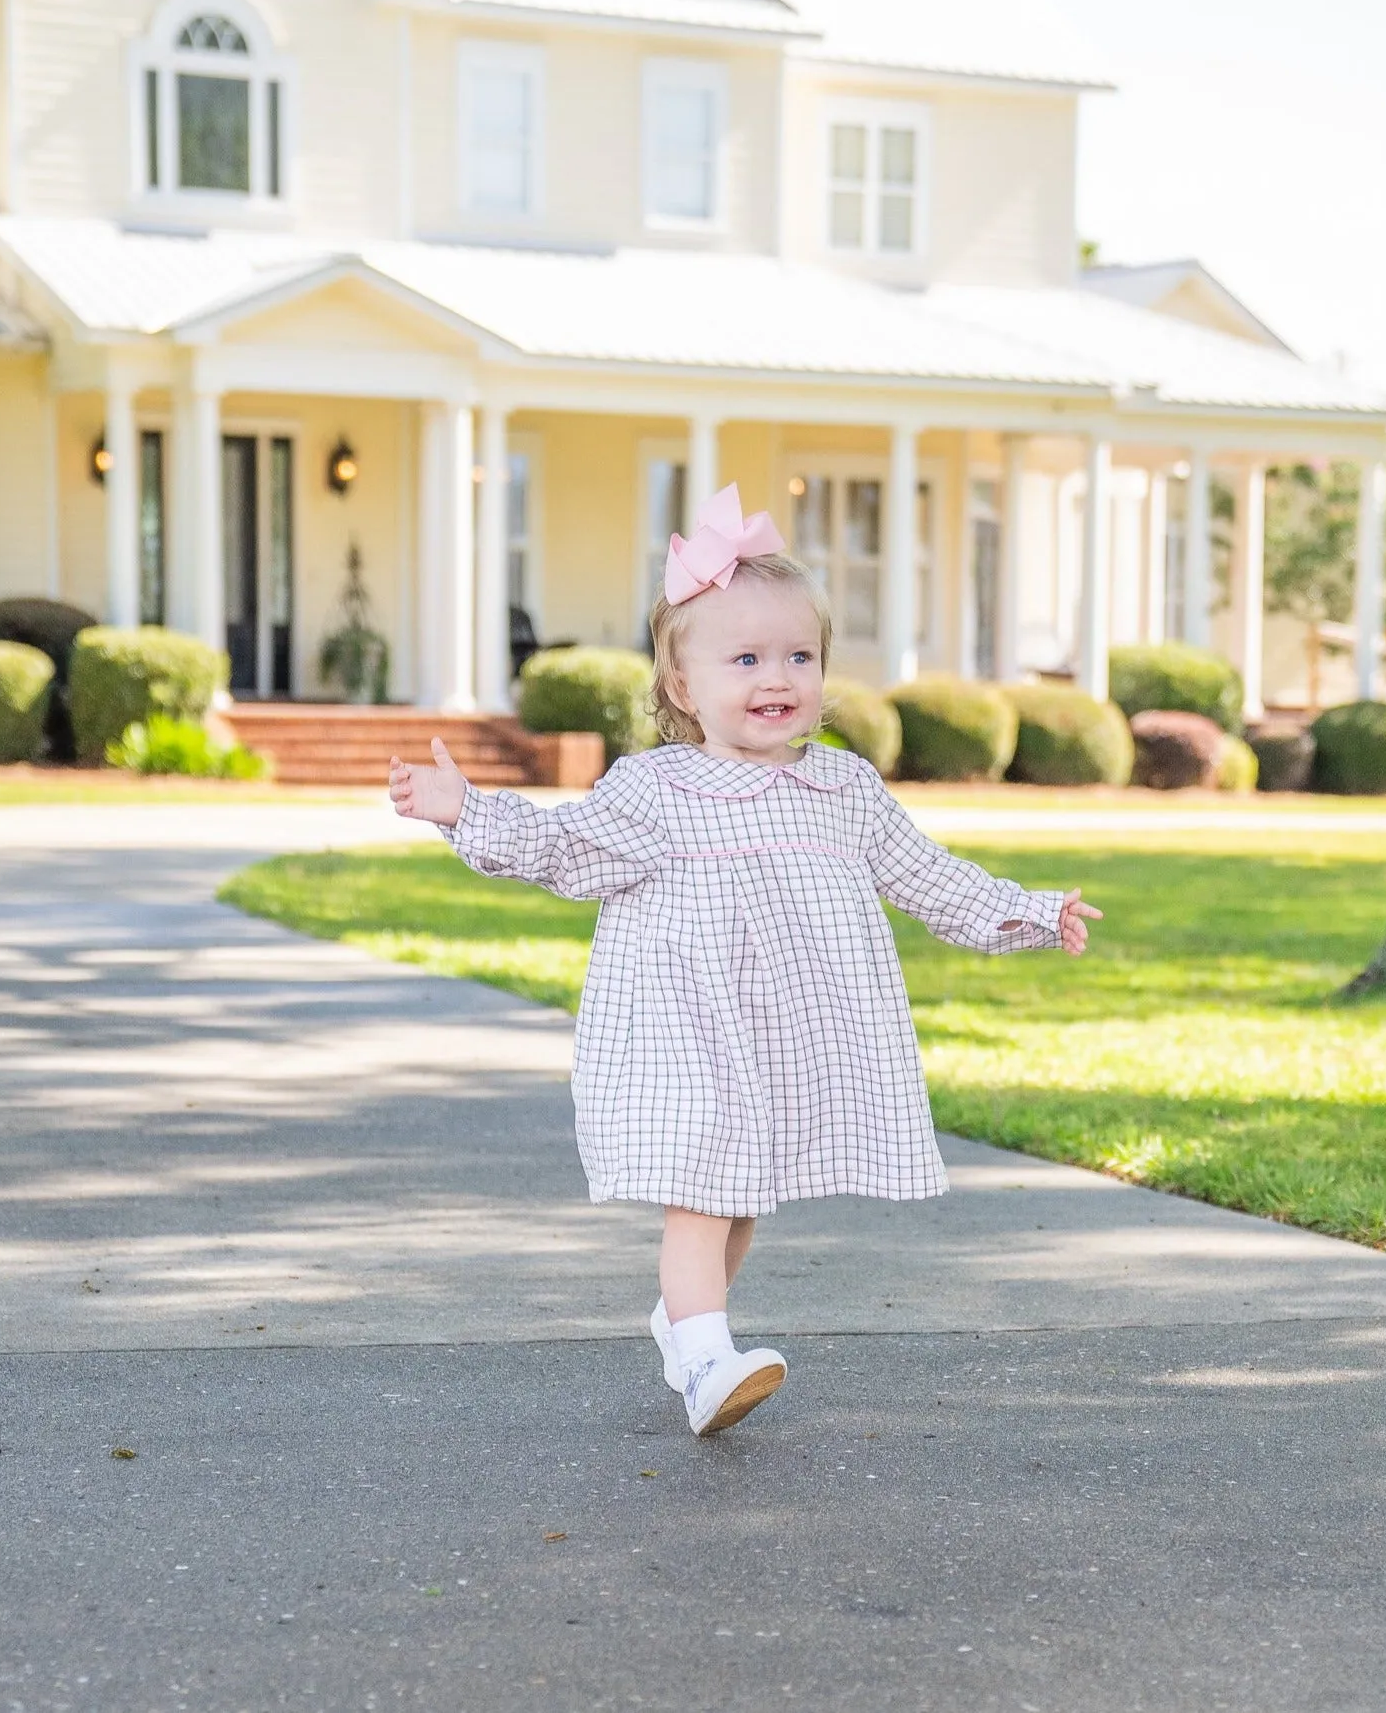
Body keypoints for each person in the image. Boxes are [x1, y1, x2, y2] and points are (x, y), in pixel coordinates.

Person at [389, 484, 1101, 1437]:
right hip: (686, 1029)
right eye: (747, 658)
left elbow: (927, 877)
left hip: (781, 1034)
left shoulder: (841, 786)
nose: (779, 676)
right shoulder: (656, 788)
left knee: (743, 1201)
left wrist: (1028, 911)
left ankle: (688, 1326)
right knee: (704, 1192)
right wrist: (466, 809)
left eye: (798, 656)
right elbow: (565, 849)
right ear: (684, 688)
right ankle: (704, 1359)